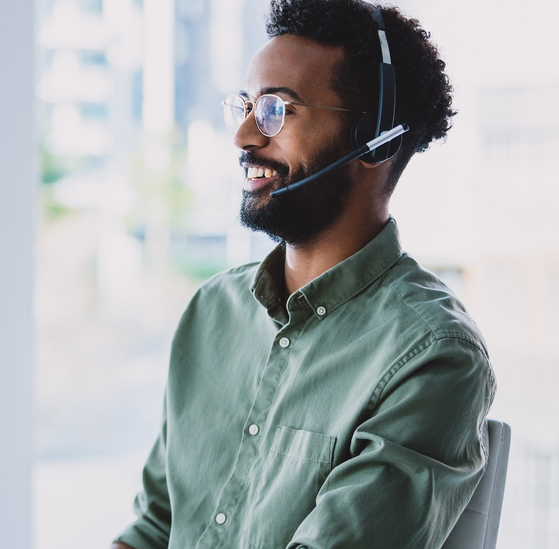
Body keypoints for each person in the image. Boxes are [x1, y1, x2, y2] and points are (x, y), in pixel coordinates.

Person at [111, 1, 496, 548]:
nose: (244, 135)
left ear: (375, 140)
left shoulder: (434, 354)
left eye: (276, 111)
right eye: (245, 106)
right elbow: (155, 528)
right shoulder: (212, 312)